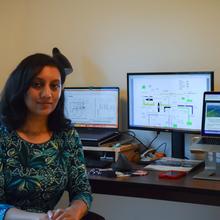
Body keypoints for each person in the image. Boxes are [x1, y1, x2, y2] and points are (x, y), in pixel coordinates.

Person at [0, 52, 102, 220]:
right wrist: (40, 218)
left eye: (55, 86)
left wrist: (73, 213)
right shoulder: (4, 136)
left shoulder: (66, 135)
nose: (47, 94)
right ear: (20, 87)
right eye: (37, 84)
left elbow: (82, 191)